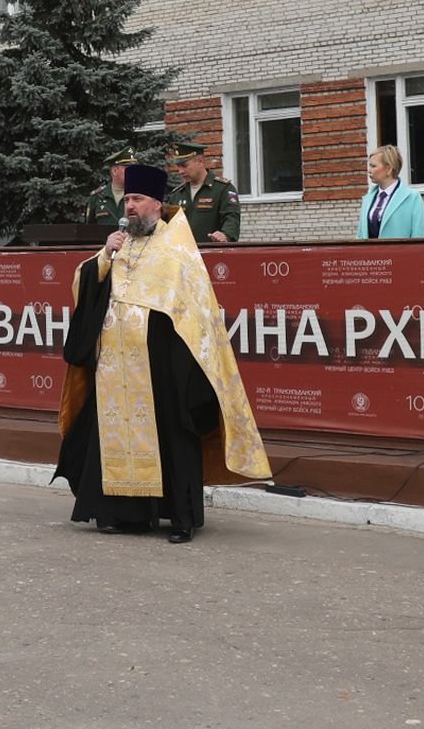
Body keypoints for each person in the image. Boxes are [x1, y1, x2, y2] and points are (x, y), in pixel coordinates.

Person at [55, 162, 272, 542]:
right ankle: (125, 514)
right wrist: (105, 256)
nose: (130, 207)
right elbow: (85, 282)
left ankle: (181, 517)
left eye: (138, 200)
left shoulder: (176, 248)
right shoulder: (120, 244)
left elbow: (196, 311)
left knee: (172, 432)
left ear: (157, 203)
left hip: (162, 364)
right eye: (128, 200)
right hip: (115, 365)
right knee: (112, 433)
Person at [165, 140, 241, 243]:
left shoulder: (222, 189)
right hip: (183, 255)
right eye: (178, 166)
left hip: (212, 254)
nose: (180, 171)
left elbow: (232, 218)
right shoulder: (177, 194)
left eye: (184, 165)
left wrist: (225, 235)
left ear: (200, 162)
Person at [356, 145, 424, 239]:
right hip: (369, 253)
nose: (369, 170)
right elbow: (360, 236)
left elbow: (419, 236)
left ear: (388, 169)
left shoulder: (412, 198)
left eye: (373, 166)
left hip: (399, 253)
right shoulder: (367, 199)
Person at [82, 150, 132, 229]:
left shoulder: (139, 196)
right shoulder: (97, 197)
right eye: (128, 168)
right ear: (115, 171)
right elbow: (89, 230)